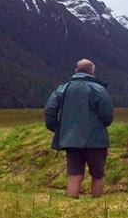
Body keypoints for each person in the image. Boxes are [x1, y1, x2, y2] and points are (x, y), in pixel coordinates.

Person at [44, 59, 113, 198]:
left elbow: (50, 111)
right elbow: (107, 116)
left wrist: (58, 129)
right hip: (95, 140)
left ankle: (71, 205)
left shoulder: (63, 88)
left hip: (70, 139)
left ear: (76, 71)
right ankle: (98, 205)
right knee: (98, 174)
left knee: (74, 175)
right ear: (92, 71)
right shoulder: (99, 89)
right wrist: (100, 126)